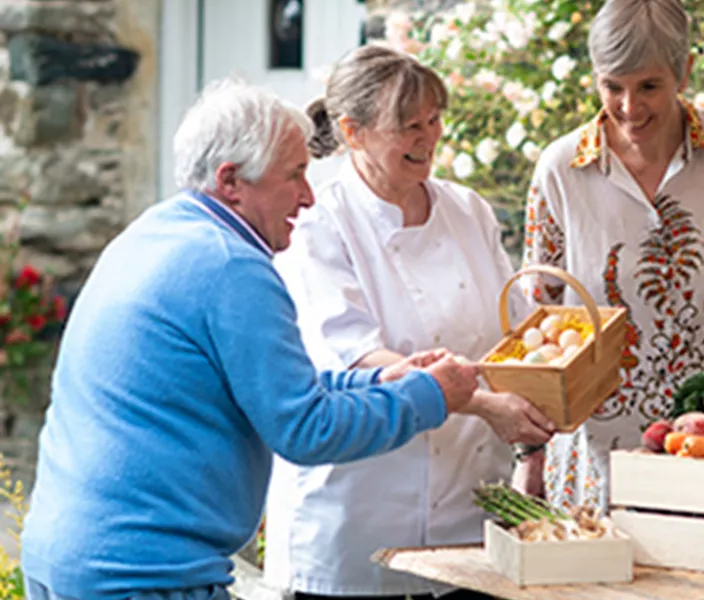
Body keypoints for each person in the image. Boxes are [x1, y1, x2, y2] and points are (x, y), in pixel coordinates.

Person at [19, 78, 481, 600]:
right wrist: (432, 396)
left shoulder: (154, 232)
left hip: (64, 556)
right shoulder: (232, 267)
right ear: (231, 181)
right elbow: (306, 430)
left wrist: (378, 379)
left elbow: (262, 386)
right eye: (295, 175)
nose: (309, 197)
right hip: (143, 576)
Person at [264, 43, 556, 600]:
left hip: (471, 519)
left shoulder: (468, 210)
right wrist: (486, 406)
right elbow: (359, 359)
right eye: (408, 126)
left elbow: (514, 341)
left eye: (434, 119)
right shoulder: (320, 226)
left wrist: (535, 443)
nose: (428, 138)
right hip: (359, 521)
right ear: (353, 132)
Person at [519, 0, 704, 509]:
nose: (629, 108)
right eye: (612, 86)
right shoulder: (560, 168)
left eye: (649, 86)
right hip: (598, 446)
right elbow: (539, 316)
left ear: (685, 71)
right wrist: (530, 454)